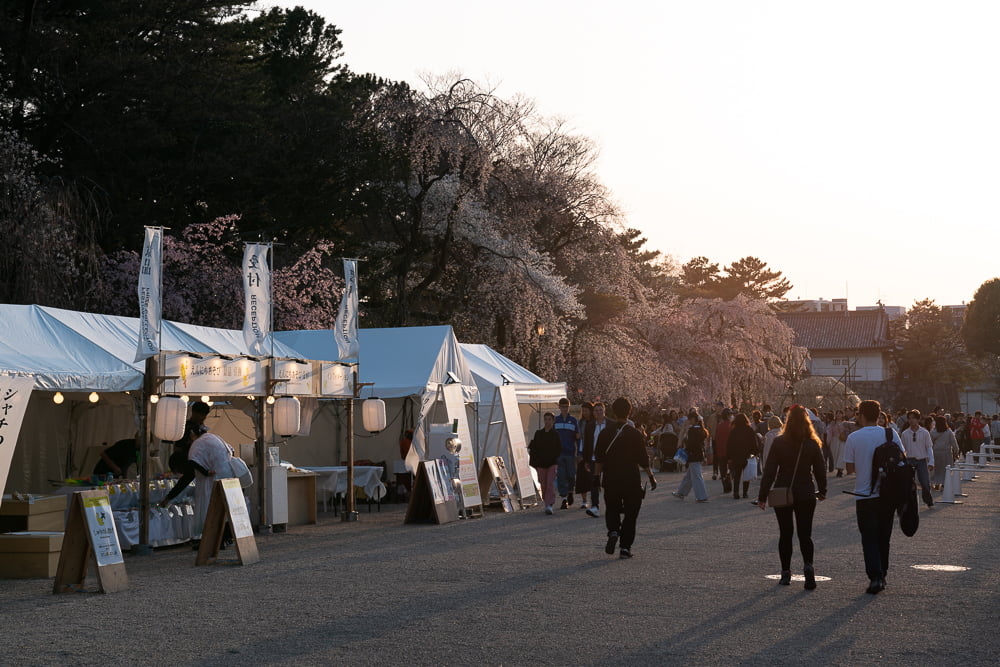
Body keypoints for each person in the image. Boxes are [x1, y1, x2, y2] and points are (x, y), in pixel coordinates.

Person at [757, 406, 826, 589]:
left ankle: (786, 572)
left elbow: (770, 471)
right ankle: (808, 566)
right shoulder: (812, 443)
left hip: (783, 490)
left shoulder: (779, 442)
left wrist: (762, 495)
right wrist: (823, 490)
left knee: (785, 534)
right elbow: (820, 470)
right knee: (805, 534)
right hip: (806, 490)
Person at [844, 399, 905, 595]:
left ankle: (875, 576)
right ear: (879, 416)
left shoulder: (854, 437)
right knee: (884, 536)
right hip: (887, 494)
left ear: (860, 415)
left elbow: (850, 468)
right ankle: (883, 573)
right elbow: (902, 459)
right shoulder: (890, 433)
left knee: (868, 537)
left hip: (864, 494)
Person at [595, 397, 656, 559]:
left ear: (613, 412)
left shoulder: (605, 433)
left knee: (612, 507)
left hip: (611, 476)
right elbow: (643, 459)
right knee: (631, 512)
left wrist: (596, 478)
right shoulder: (635, 434)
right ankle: (625, 547)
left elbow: (599, 459)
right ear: (629, 411)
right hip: (630, 478)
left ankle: (613, 530)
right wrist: (651, 477)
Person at [160, 401, 211, 508]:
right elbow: (177, 448)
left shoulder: (202, 429)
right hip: (188, 460)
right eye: (201, 415)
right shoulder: (186, 428)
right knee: (186, 480)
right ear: (194, 413)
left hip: (197, 461)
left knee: (187, 480)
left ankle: (168, 499)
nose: (203, 418)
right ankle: (168, 499)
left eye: (204, 416)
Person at [582, 402, 612, 518]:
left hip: (608, 458)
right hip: (594, 458)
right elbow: (587, 443)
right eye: (596, 410)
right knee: (594, 482)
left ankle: (611, 504)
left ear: (604, 411)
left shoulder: (610, 424)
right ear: (593, 412)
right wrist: (586, 460)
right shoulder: (590, 426)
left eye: (600, 410)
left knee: (609, 482)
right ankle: (595, 506)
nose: (598, 412)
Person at [672, 413, 710, 502]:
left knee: (696, 476)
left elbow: (691, 443)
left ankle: (702, 496)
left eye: (689, 419)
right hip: (699, 454)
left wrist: (686, 449)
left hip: (693, 455)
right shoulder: (702, 429)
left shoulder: (692, 430)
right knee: (689, 476)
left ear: (692, 419)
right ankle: (681, 492)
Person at [528, 412, 561, 514]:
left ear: (553, 420)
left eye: (549, 419)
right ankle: (546, 501)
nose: (547, 422)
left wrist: (555, 458)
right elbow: (534, 448)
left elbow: (559, 448)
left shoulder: (555, 434)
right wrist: (536, 461)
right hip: (541, 463)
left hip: (552, 463)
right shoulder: (539, 433)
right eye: (546, 419)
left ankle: (549, 504)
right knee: (543, 484)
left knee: (550, 483)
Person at [902, 409, 935, 507]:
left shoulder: (924, 432)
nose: (912, 420)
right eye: (910, 418)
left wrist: (931, 461)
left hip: (921, 460)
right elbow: (902, 449)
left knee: (925, 481)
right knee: (908, 483)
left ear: (918, 419)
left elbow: (929, 447)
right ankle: (908, 502)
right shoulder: (905, 433)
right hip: (909, 459)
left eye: (914, 418)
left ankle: (928, 500)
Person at [553, 398, 579, 509]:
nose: (564, 409)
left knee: (571, 475)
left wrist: (578, 451)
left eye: (566, 407)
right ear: (559, 407)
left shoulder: (573, 420)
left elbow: (577, 437)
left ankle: (570, 492)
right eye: (562, 407)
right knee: (561, 476)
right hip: (559, 453)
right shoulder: (556, 420)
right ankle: (563, 498)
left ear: (569, 407)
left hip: (570, 453)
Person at [727, 413, 758, 499]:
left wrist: (729, 457)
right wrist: (755, 452)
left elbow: (730, 444)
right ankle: (745, 492)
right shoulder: (749, 430)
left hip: (736, 456)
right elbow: (753, 443)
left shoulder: (734, 431)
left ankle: (736, 492)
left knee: (737, 475)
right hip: (746, 455)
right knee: (746, 475)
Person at [930, 416, 959, 490]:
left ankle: (936, 483)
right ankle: (944, 484)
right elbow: (954, 442)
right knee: (945, 469)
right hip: (946, 452)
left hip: (936, 452)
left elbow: (930, 443)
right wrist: (956, 451)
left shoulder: (933, 432)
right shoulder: (948, 432)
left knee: (937, 469)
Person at [575, 402, 594, 509]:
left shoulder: (594, 422)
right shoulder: (580, 422)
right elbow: (578, 438)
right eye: (583, 411)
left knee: (591, 477)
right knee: (581, 477)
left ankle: (593, 500)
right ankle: (584, 499)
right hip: (582, 451)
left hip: (592, 452)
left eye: (586, 410)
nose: (584, 413)